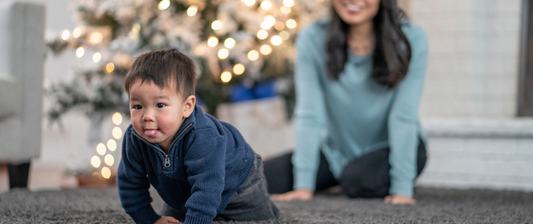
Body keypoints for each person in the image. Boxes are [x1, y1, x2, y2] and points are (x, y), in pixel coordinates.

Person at [264, 0, 428, 205]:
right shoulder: (312, 37)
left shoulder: (412, 38)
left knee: (355, 179)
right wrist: (303, 187)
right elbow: (309, 113)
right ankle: (343, 173)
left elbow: (403, 116)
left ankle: (359, 174)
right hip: (337, 152)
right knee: (260, 178)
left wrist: (402, 188)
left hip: (394, 146)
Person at [117, 49, 279, 224]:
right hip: (183, 188)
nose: (147, 116)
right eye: (138, 106)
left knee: (262, 219)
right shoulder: (134, 138)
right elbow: (129, 184)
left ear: (187, 106)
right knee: (179, 217)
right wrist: (151, 220)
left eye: (160, 105)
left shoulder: (203, 136)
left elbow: (207, 188)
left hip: (237, 179)